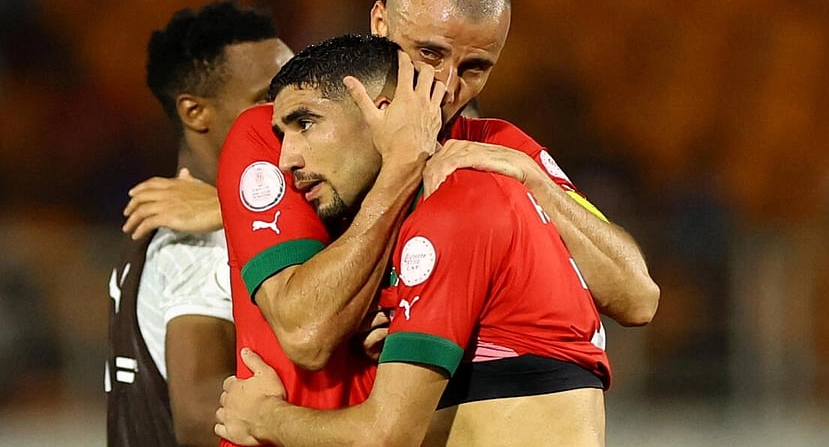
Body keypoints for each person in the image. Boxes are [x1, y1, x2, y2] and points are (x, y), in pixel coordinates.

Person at [123, 0, 658, 331]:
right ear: (380, 23)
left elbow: (638, 297)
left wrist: (531, 182)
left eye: (476, 66)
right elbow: (305, 329)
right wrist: (231, 207)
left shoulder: (493, 144)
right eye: (428, 53)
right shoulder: (285, 129)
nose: (447, 85)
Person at [217, 33, 611, 447]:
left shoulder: (459, 207)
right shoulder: (465, 203)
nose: (285, 159)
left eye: (306, 123)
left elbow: (386, 435)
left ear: (382, 112)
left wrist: (264, 418)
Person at [105, 0, 294, 447]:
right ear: (195, 112)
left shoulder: (216, 219)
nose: (289, 110)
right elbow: (202, 419)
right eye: (267, 98)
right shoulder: (202, 241)